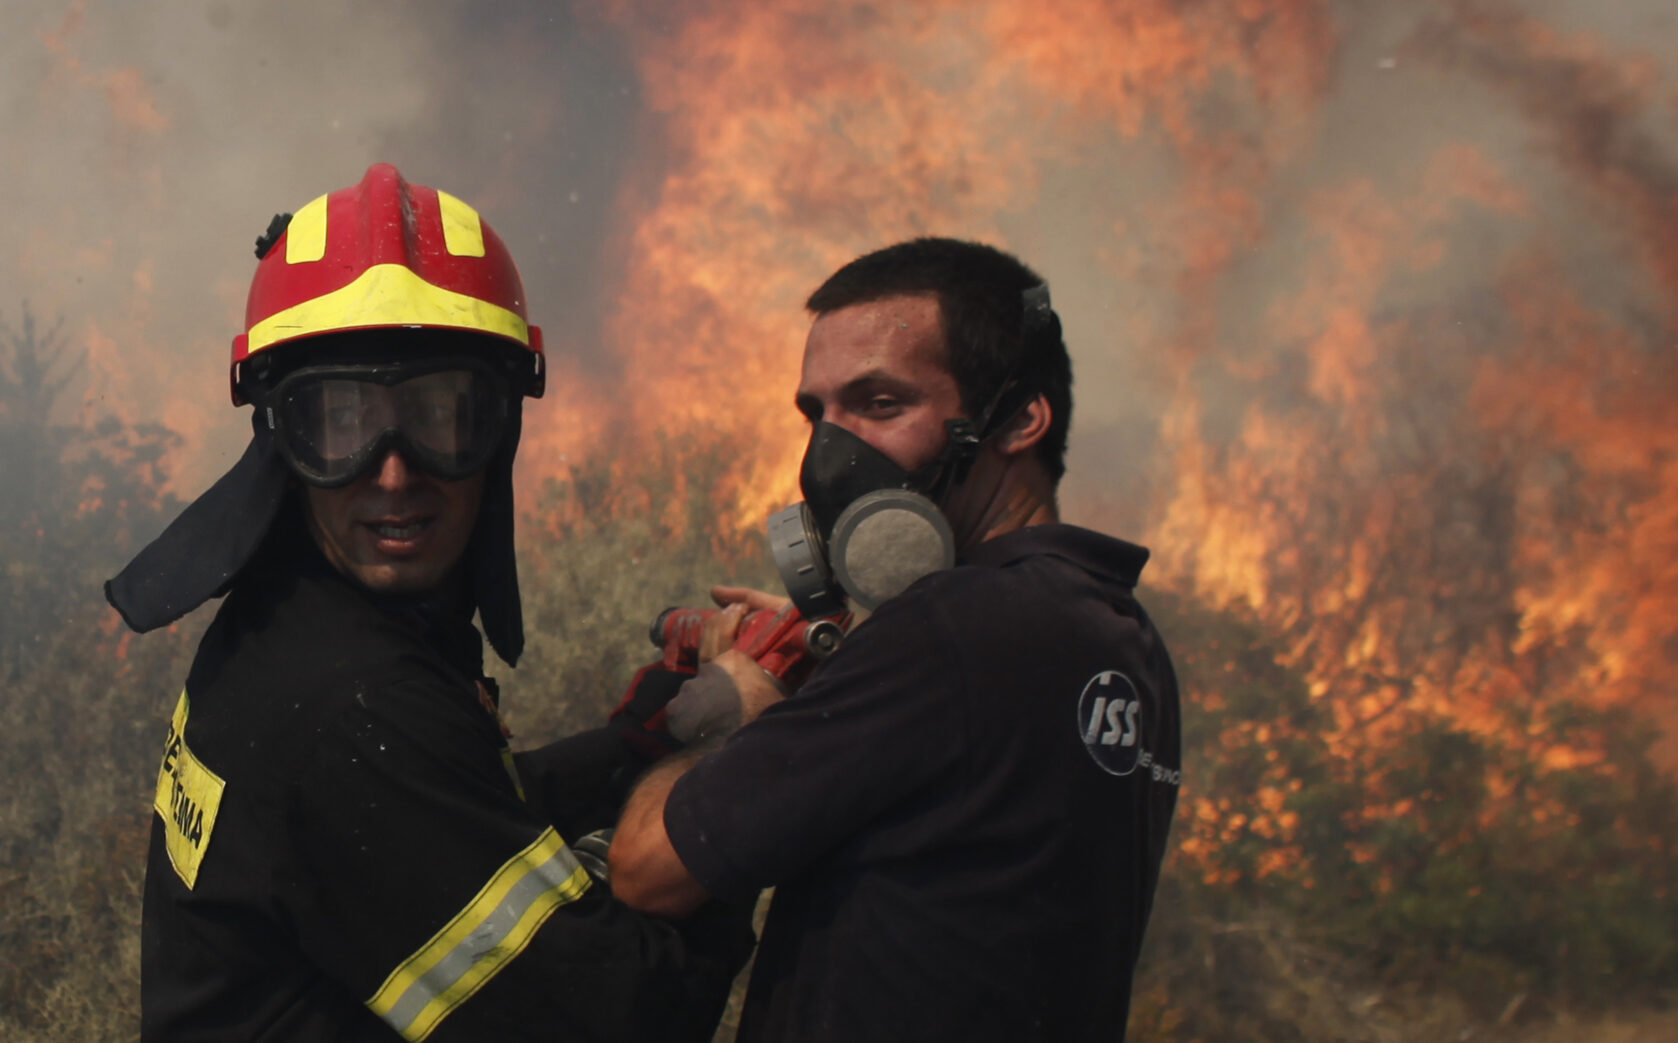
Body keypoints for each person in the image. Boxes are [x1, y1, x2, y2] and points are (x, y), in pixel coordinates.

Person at [105, 162, 751, 1043]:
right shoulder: (355, 706)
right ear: (283, 440)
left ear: (500, 432)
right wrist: (756, 775)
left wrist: (649, 738)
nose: (396, 472)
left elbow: (454, 798)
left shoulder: (291, 621)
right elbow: (628, 1020)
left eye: (445, 415)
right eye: (340, 421)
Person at [609, 237, 1183, 1043]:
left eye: (879, 404)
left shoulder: (949, 628)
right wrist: (853, 660)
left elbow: (648, 868)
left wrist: (749, 699)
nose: (828, 456)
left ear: (1020, 418)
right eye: (818, 413)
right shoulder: (1122, 642)